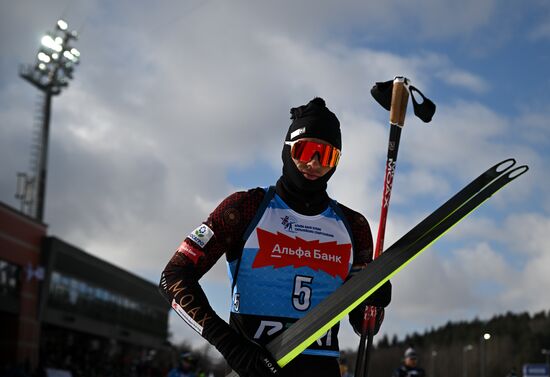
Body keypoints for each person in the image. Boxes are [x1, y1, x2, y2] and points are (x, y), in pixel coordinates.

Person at [159, 97, 392, 377]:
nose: (314, 163)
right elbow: (172, 278)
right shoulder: (245, 208)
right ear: (287, 149)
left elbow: (366, 326)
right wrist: (233, 348)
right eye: (305, 150)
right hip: (256, 368)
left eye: (327, 155)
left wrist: (373, 299)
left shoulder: (353, 226)